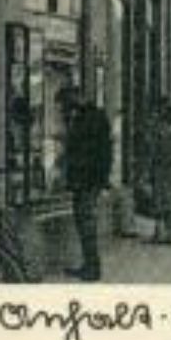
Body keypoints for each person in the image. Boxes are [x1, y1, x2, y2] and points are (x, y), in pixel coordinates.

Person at [57, 85, 112, 281]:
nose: (65, 107)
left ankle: (92, 267)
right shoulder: (87, 117)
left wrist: (99, 178)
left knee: (86, 222)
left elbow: (99, 151)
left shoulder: (90, 118)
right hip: (86, 179)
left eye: (66, 103)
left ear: (76, 97)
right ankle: (89, 264)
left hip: (87, 180)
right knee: (84, 222)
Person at [148, 100, 171, 244]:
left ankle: (159, 233)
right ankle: (170, 234)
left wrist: (151, 168)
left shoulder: (160, 134)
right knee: (170, 202)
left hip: (160, 170)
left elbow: (154, 153)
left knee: (159, 201)